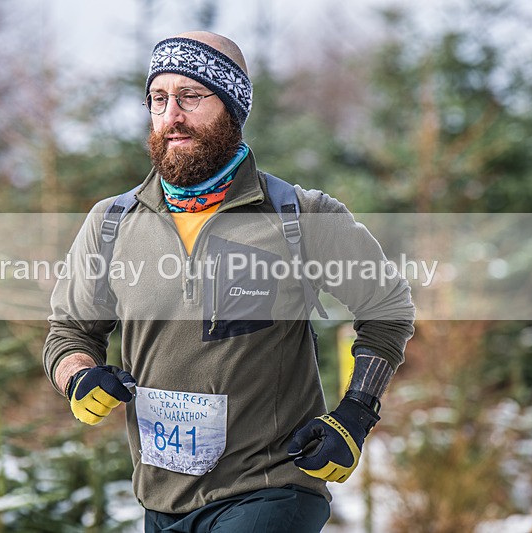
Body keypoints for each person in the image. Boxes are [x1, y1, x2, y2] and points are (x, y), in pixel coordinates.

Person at [44, 31, 415, 533]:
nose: (171, 115)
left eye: (191, 97)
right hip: (160, 499)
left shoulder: (299, 215)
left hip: (270, 488)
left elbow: (387, 307)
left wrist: (355, 414)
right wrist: (78, 375)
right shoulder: (112, 222)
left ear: (232, 108)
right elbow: (69, 332)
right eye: (158, 99)